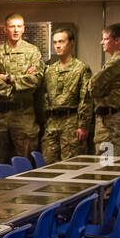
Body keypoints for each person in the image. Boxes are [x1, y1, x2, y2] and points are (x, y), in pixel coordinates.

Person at [0, 13, 44, 173]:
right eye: (12, 26)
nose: (15, 30)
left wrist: (9, 78)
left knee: (25, 162)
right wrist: (19, 86)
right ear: (5, 29)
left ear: (23, 29)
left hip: (23, 114)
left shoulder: (32, 52)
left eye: (19, 26)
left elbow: (35, 81)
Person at [41, 27, 93, 163]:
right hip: (52, 123)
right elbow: (45, 97)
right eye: (55, 42)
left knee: (71, 165)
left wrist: (83, 125)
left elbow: (86, 98)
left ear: (71, 43)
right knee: (48, 165)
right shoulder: (50, 70)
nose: (57, 46)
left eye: (61, 42)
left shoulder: (81, 68)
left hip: (72, 122)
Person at [88, 23, 120, 156]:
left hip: (110, 123)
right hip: (112, 119)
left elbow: (92, 86)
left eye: (105, 39)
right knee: (108, 162)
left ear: (117, 40)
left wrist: (96, 89)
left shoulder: (118, 62)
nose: (101, 42)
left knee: (107, 166)